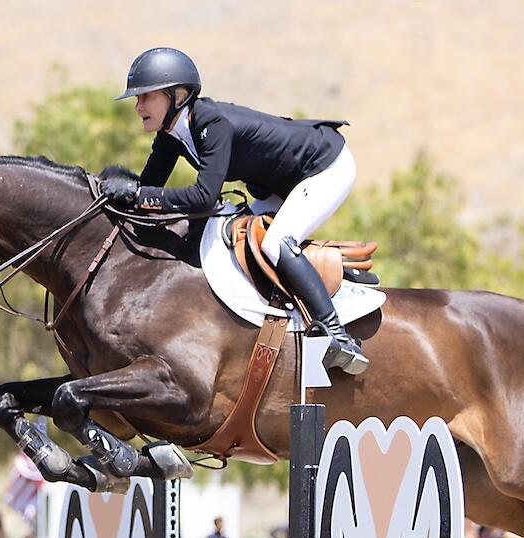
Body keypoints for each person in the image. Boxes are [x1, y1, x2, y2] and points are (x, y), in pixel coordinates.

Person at [103, 47, 368, 376]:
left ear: (177, 95)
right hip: (278, 184)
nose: (138, 107)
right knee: (235, 245)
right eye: (137, 99)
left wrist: (139, 194)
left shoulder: (211, 123)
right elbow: (148, 189)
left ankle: (337, 335)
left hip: (324, 166)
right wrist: (121, 193)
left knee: (277, 243)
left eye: (146, 97)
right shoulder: (170, 134)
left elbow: (202, 197)